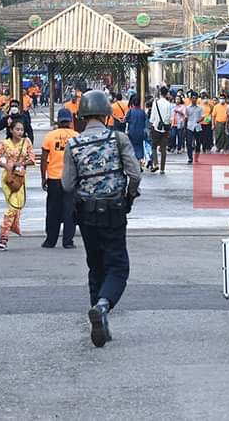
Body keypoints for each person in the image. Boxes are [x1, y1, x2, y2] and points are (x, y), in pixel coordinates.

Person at [61, 90, 141, 347]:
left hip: (86, 213)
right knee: (118, 265)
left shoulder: (73, 144)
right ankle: (104, 306)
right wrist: (129, 194)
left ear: (82, 115)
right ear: (107, 114)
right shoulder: (118, 139)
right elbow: (135, 174)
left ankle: (98, 314)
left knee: (95, 266)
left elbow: (66, 184)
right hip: (115, 209)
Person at [0, 119, 36, 251]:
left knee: (17, 208)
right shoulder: (4, 143)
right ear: (11, 130)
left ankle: (1, 234)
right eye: (17, 129)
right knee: (12, 207)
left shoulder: (26, 142)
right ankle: (3, 238)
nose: (20, 132)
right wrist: (6, 165)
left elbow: (32, 159)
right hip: (8, 178)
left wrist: (21, 164)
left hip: (21, 178)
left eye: (21, 130)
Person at [40, 108, 79, 248]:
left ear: (58, 120)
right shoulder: (76, 136)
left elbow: (44, 159)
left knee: (52, 210)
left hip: (54, 178)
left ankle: (50, 240)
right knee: (70, 210)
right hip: (71, 179)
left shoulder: (50, 136)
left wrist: (43, 178)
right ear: (70, 121)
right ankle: (68, 241)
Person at [147, 88, 173, 174]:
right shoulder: (169, 104)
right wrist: (168, 125)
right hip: (165, 129)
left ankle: (156, 163)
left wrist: (151, 125)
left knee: (153, 147)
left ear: (160, 93)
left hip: (156, 128)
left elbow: (153, 116)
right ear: (166, 94)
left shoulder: (156, 103)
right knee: (163, 149)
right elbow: (170, 117)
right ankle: (162, 168)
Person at [124, 95, 148, 170]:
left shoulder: (130, 111)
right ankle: (140, 163)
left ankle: (134, 165)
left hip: (132, 132)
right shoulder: (142, 112)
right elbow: (146, 122)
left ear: (133, 103)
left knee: (132, 148)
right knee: (140, 147)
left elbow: (126, 120)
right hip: (140, 132)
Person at [184, 92, 204, 163]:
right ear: (190, 99)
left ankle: (196, 157)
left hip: (198, 127)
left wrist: (199, 120)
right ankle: (190, 157)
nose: (194, 100)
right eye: (193, 98)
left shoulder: (200, 108)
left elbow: (202, 117)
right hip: (190, 127)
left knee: (198, 143)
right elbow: (186, 117)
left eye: (196, 98)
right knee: (189, 142)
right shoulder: (187, 108)